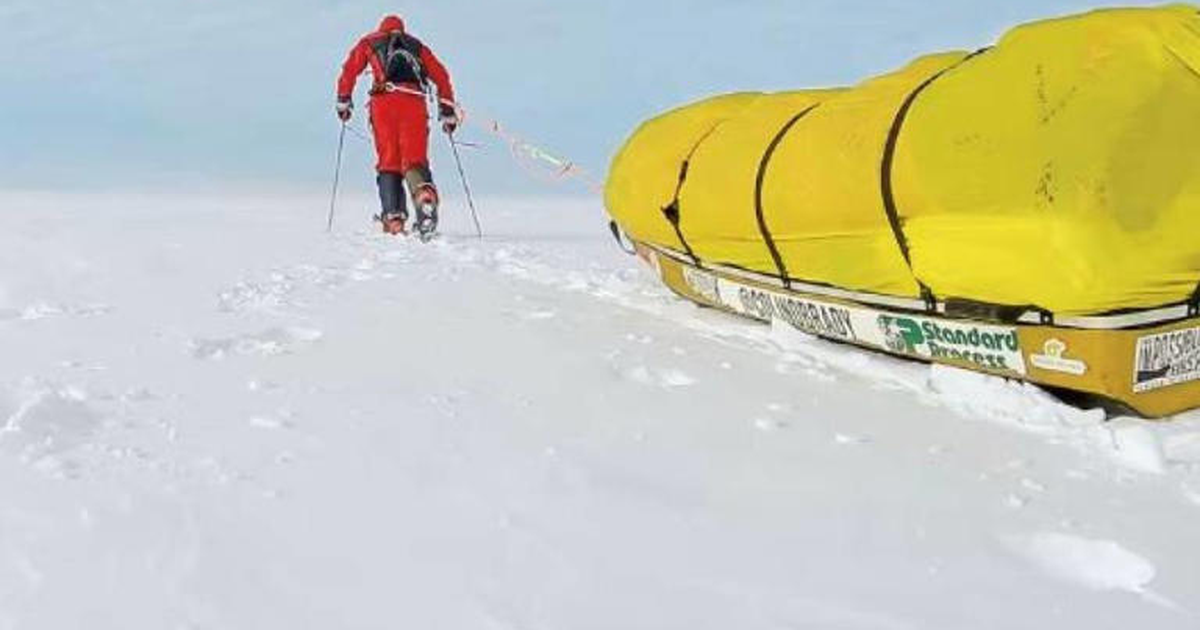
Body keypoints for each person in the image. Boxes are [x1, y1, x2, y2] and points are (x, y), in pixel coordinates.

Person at [335, 15, 460, 237]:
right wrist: (447, 111)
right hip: (413, 103)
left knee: (389, 162)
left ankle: (393, 218)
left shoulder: (369, 42)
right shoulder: (416, 46)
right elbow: (441, 76)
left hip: (383, 103)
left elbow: (349, 70)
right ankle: (424, 198)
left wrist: (344, 100)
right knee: (415, 159)